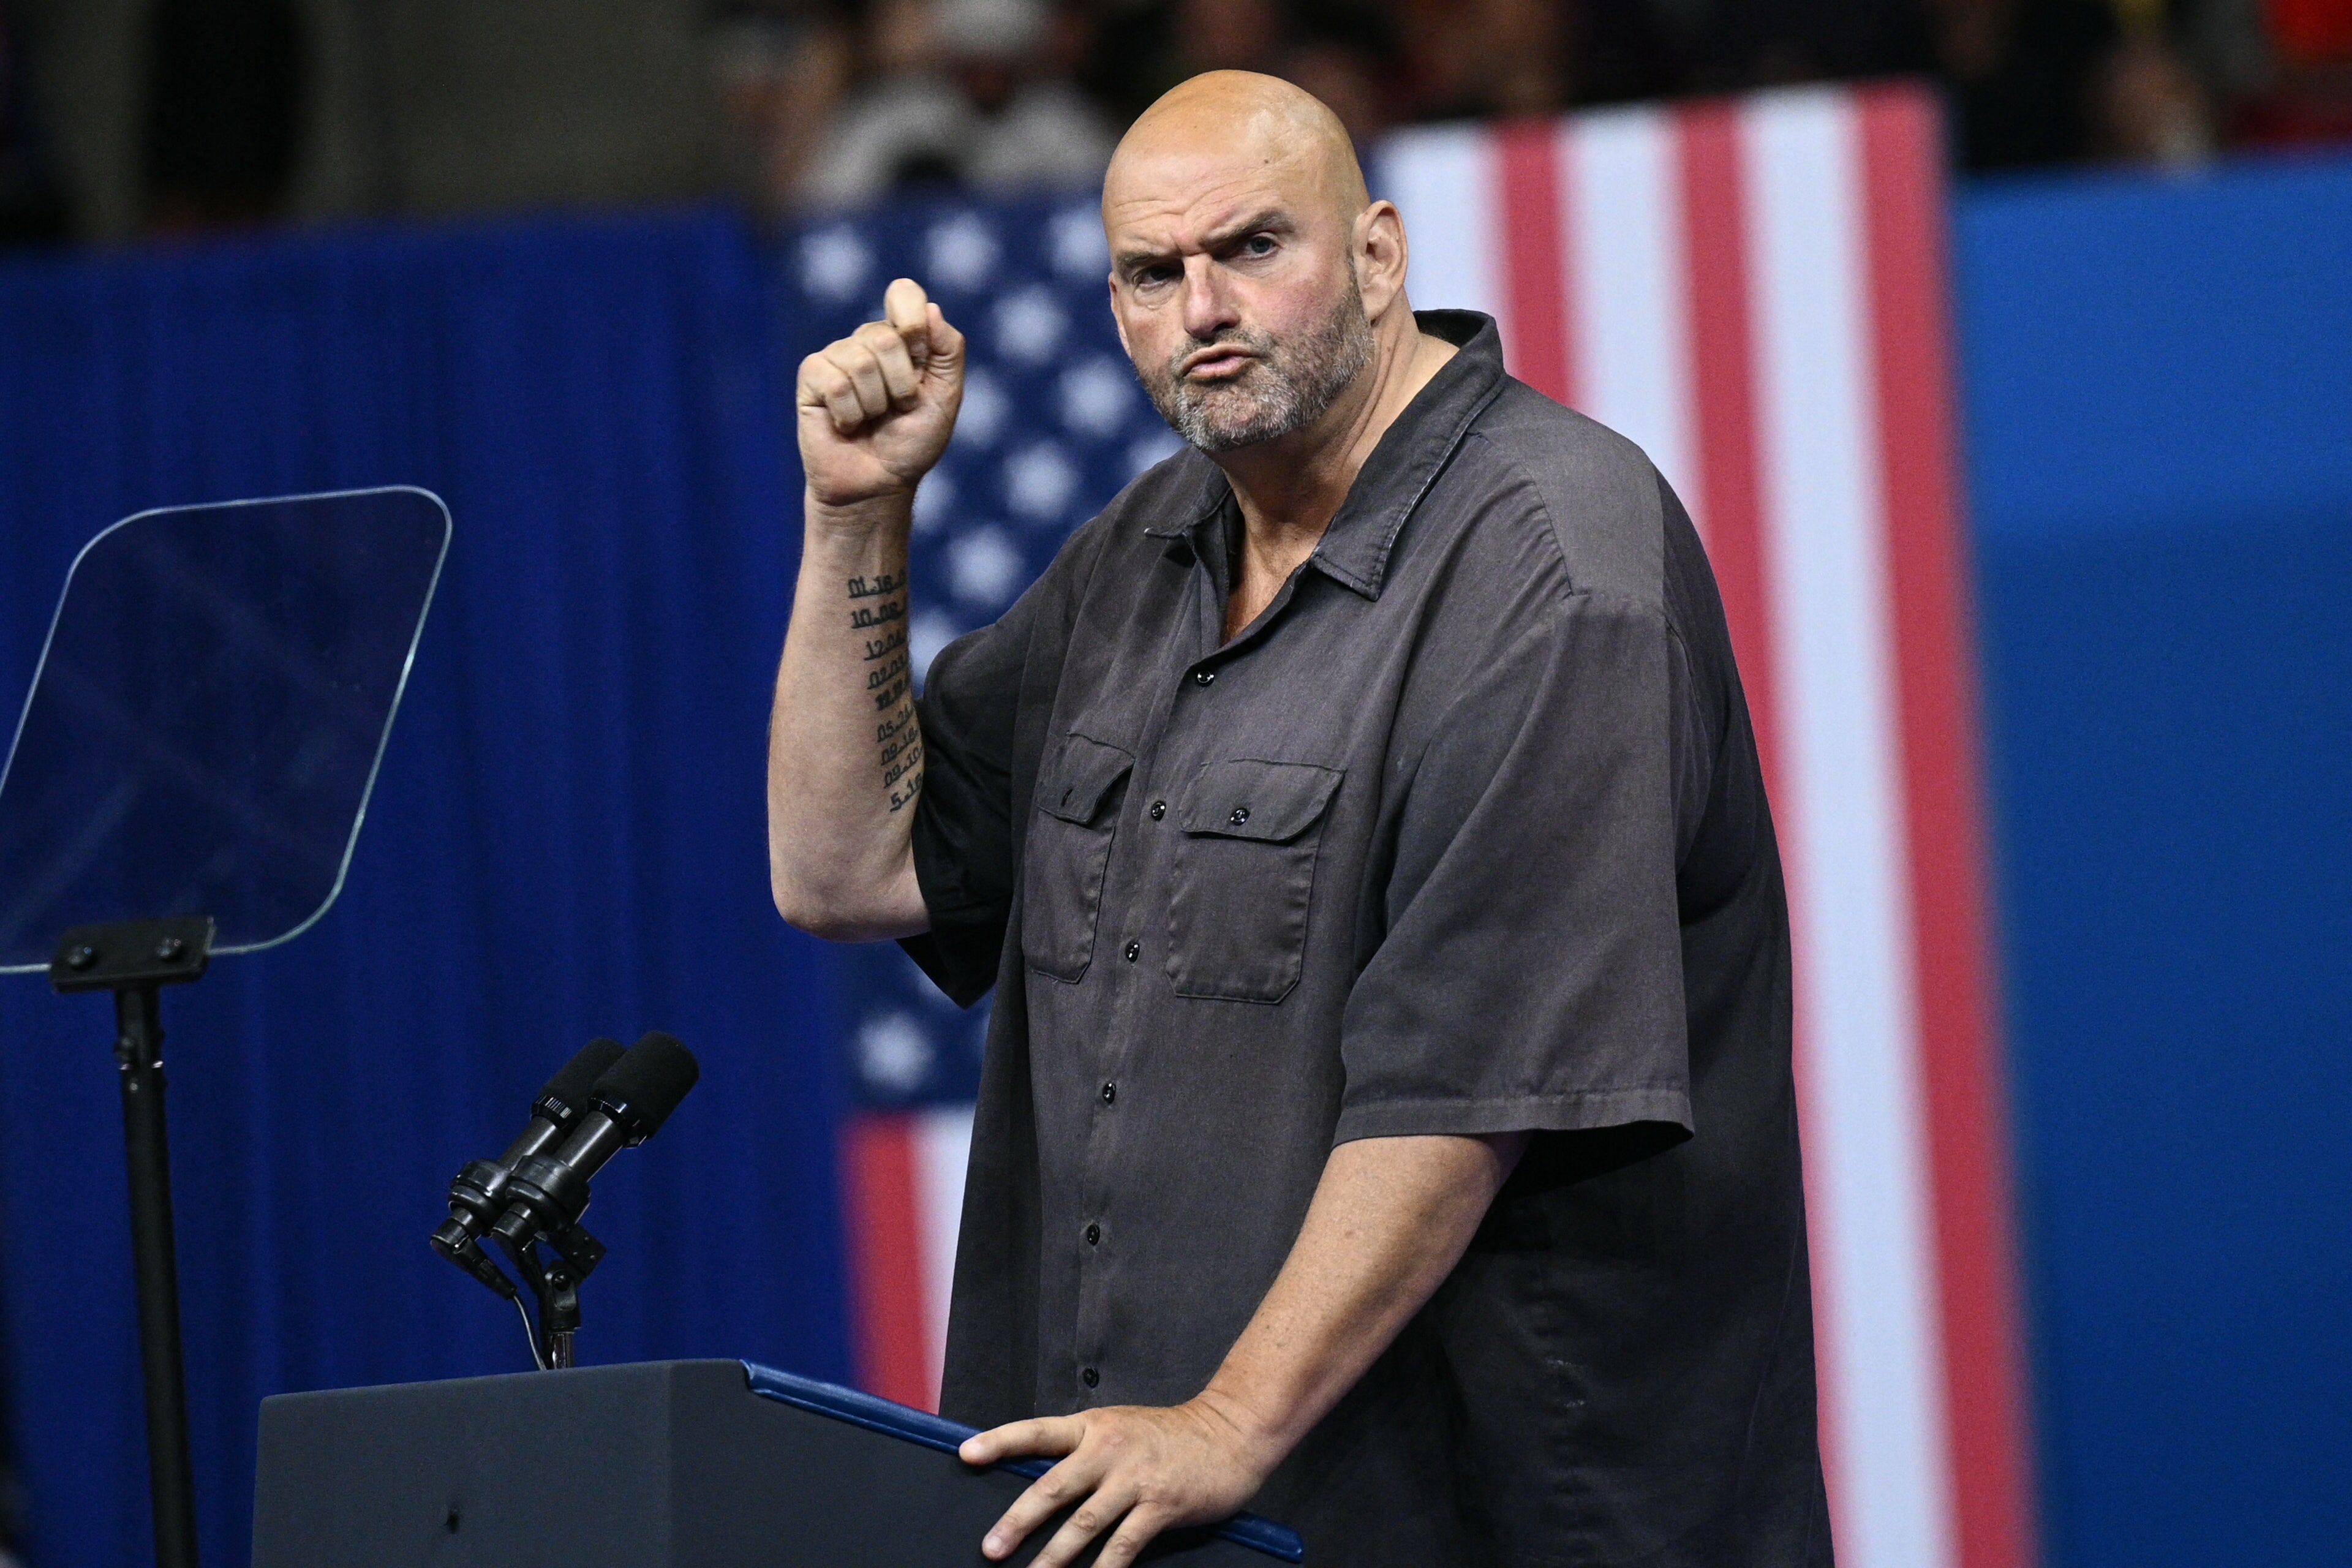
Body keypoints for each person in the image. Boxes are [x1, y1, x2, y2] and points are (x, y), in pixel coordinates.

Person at [767, 70, 1827, 1567]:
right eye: (1152, 273)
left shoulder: (1559, 567)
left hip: (1495, 1523)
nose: (1203, 306)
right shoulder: (1140, 551)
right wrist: (854, 515)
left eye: (1254, 248)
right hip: (1158, 1521)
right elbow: (846, 867)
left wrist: (1226, 1423)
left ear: (1382, 254)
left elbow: (1466, 1092)